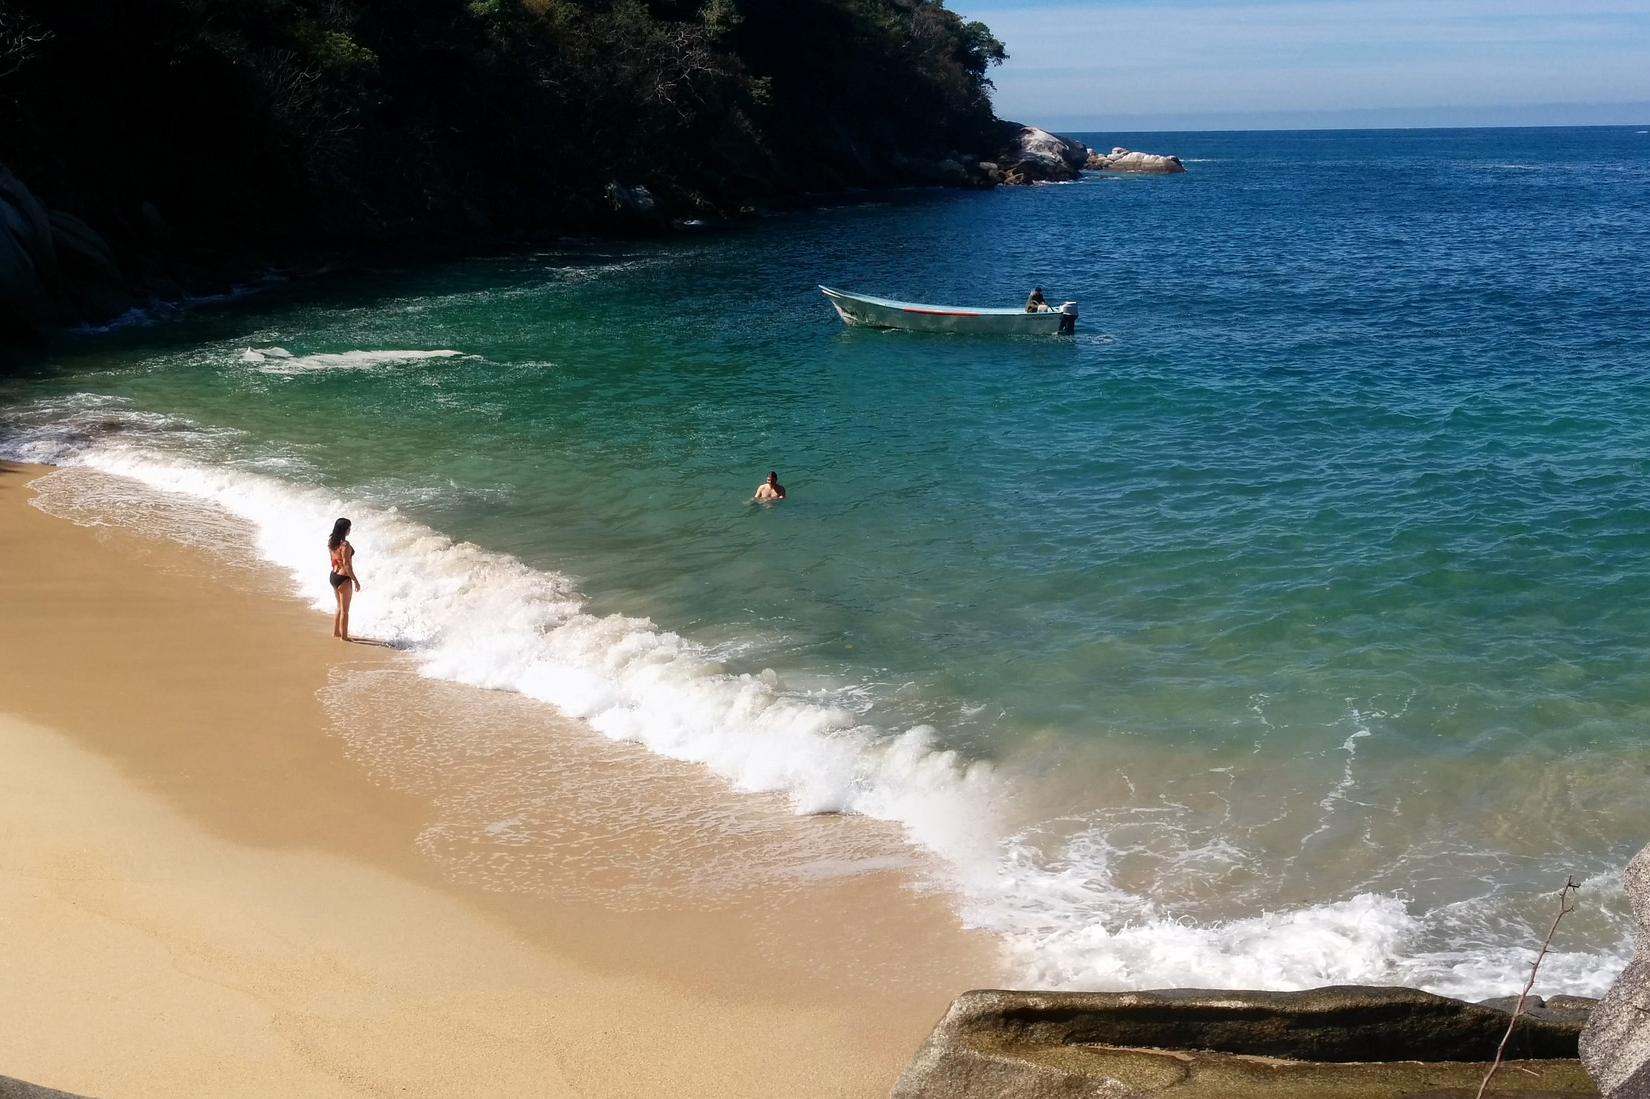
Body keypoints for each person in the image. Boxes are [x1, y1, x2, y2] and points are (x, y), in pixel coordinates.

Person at [327, 517, 362, 641]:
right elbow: (347, 564)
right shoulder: (345, 545)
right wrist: (355, 580)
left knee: (339, 606)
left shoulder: (332, 542)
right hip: (343, 578)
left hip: (333, 575)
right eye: (349, 528)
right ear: (345, 529)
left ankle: (336, 632)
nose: (350, 530)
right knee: (345, 610)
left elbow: (333, 560)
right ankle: (344, 637)